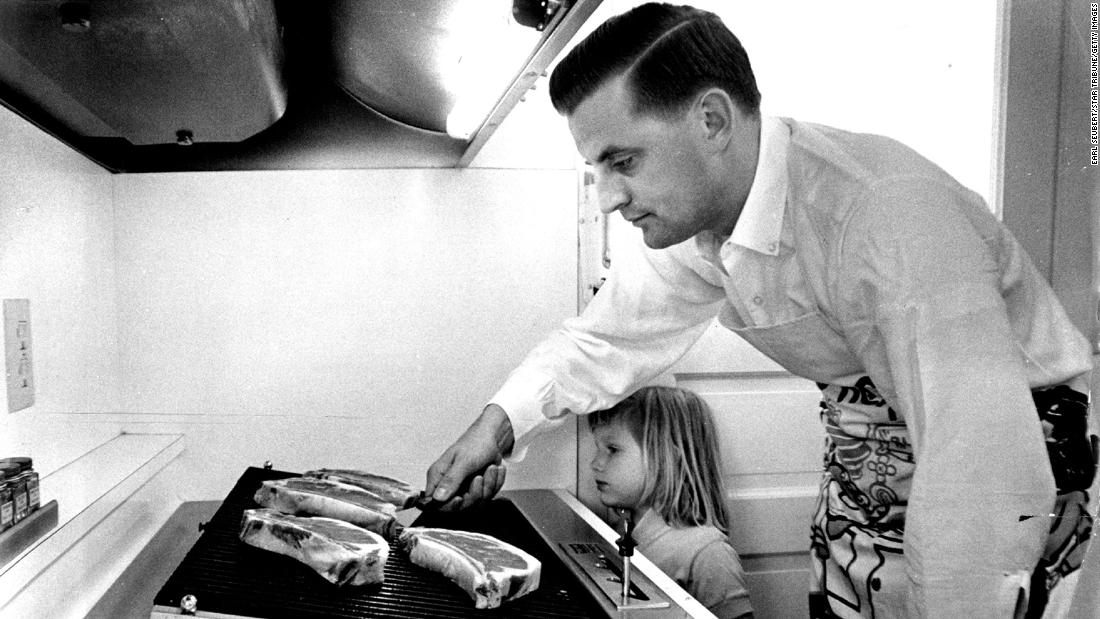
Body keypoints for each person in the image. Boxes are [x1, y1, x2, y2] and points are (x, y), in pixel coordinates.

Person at [424, 3, 1097, 617]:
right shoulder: (695, 225)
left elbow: (978, 474)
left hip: (1002, 463)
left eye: (622, 161)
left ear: (711, 120)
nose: (606, 197)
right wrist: (497, 424)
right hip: (868, 465)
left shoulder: (886, 216)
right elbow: (606, 340)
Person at [588, 385, 753, 618]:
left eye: (612, 450)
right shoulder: (623, 531)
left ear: (666, 458)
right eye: (598, 449)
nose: (595, 463)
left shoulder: (707, 553)